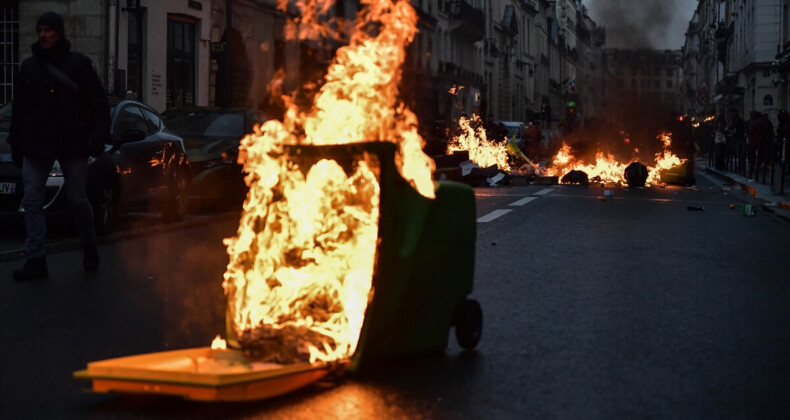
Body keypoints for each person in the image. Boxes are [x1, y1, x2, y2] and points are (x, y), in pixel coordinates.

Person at [7, 12, 110, 280]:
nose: (43, 35)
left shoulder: (79, 65)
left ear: (59, 33)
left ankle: (89, 246)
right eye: (40, 30)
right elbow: (19, 110)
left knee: (77, 199)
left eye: (48, 30)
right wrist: (15, 143)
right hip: (37, 143)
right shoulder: (29, 68)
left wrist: (98, 136)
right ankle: (36, 258)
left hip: (71, 142)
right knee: (32, 199)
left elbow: (97, 103)